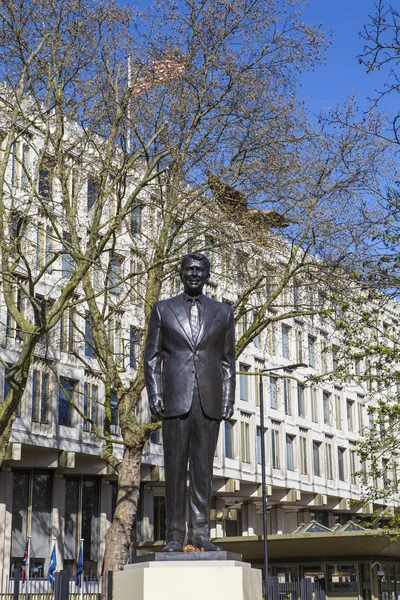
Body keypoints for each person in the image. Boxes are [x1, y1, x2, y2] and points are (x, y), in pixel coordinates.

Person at [144, 253, 236, 552]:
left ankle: (200, 534)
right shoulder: (163, 309)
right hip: (174, 399)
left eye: (200, 270)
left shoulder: (223, 312)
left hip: (209, 401)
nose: (194, 274)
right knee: (173, 470)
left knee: (202, 471)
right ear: (181, 273)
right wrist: (155, 393)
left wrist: (228, 398)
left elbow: (227, 361)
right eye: (189, 269)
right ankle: (173, 535)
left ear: (208, 275)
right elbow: (152, 357)